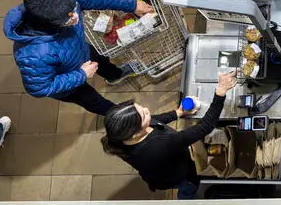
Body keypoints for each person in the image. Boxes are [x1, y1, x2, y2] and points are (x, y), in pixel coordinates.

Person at [4, 0, 154, 116]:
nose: (76, 16)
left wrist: (132, 4)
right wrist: (80, 75)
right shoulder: (33, 55)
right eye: (67, 19)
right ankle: (120, 116)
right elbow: (40, 88)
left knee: (101, 60)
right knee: (93, 100)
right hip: (70, 84)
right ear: (48, 25)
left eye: (72, 11)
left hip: (81, 50)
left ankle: (116, 75)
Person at [101, 71, 237, 200]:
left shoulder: (122, 135)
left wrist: (177, 113)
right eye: (143, 115)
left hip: (161, 168)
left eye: (141, 107)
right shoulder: (159, 144)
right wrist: (220, 92)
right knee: (188, 187)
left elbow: (155, 120)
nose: (147, 110)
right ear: (135, 134)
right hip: (178, 175)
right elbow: (205, 126)